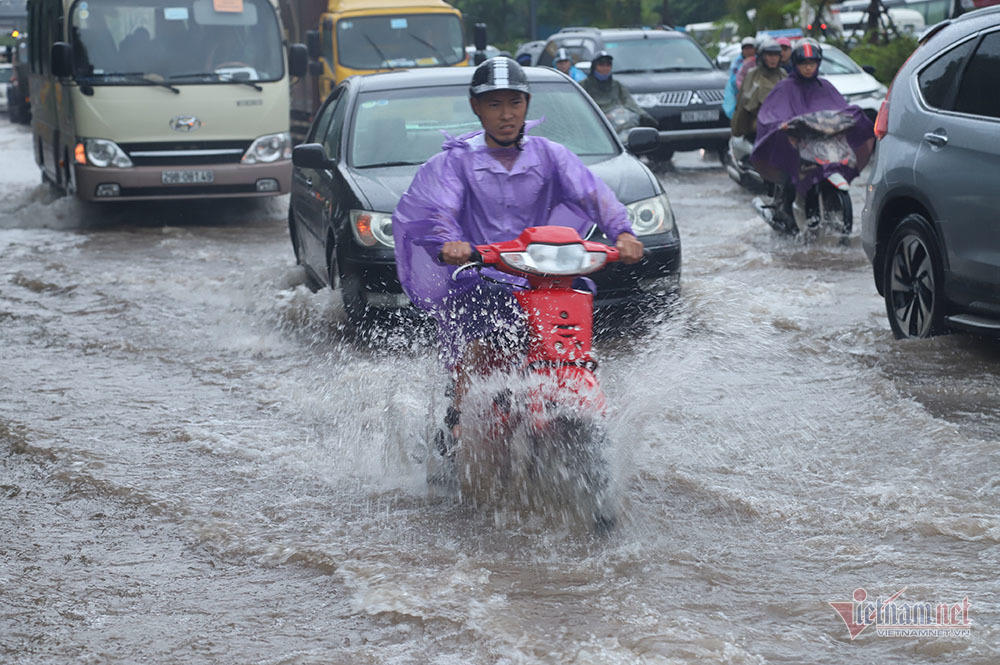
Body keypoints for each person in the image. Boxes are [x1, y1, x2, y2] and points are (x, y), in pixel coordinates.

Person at [392, 57, 644, 446]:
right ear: (476, 107)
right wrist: (451, 244)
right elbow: (440, 209)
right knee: (481, 331)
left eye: (515, 103)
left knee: (575, 325)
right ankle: (458, 413)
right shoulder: (457, 162)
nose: (506, 115)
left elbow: (593, 193)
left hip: (544, 278)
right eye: (494, 104)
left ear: (527, 104)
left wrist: (622, 232)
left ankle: (573, 393)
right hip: (483, 275)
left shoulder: (550, 156)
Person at [750, 39, 874, 224]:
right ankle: (786, 214)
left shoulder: (824, 86)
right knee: (791, 182)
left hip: (824, 146)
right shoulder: (785, 87)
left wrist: (853, 116)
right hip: (797, 147)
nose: (808, 68)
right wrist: (782, 126)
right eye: (804, 64)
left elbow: (840, 108)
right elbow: (770, 114)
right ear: (795, 64)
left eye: (812, 63)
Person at [580, 51, 656, 128]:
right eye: (601, 64)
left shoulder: (617, 85)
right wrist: (601, 116)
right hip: (593, 122)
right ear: (594, 67)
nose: (605, 68)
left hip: (617, 121)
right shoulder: (583, 86)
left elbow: (629, 102)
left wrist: (643, 115)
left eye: (608, 64)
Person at [731, 38, 786, 140]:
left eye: (776, 55)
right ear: (762, 56)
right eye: (769, 55)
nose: (773, 59)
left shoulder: (783, 75)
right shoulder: (752, 74)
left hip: (781, 126)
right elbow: (744, 104)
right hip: (755, 126)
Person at [722, 36, 756, 118]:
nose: (748, 51)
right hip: (740, 95)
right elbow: (734, 80)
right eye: (746, 48)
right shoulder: (737, 63)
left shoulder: (760, 61)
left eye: (751, 48)